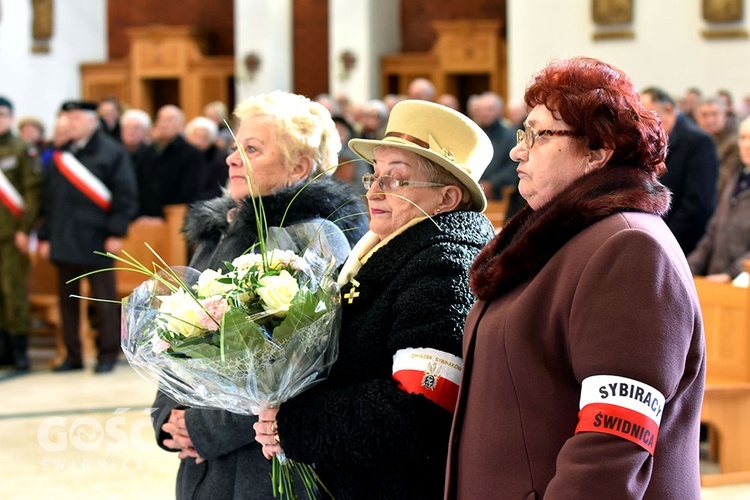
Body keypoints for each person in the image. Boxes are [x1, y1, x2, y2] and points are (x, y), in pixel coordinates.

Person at [446, 57, 705, 499]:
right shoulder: (556, 238)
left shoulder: (629, 249)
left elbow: (613, 442)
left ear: (597, 152)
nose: (517, 150)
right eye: (522, 132)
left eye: (539, 135)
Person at [253, 100, 497, 499]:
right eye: (374, 176)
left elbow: (418, 409)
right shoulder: (388, 248)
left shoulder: (445, 264)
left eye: (397, 179)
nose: (376, 190)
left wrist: (296, 425)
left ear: (448, 198)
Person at [151, 91, 369, 500]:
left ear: (298, 167)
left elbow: (305, 368)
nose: (233, 158)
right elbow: (177, 334)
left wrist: (202, 428)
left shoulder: (317, 239)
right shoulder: (221, 232)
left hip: (266, 462)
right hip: (203, 466)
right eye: (235, 147)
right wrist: (168, 416)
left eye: (252, 149)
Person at [37, 100, 138, 373]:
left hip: (97, 237)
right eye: (69, 119)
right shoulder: (61, 154)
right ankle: (73, 355)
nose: (72, 124)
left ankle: (107, 354)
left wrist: (117, 231)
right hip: (64, 238)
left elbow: (126, 195)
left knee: (103, 300)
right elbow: (49, 198)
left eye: (78, 119)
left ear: (93, 121)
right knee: (67, 302)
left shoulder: (111, 152)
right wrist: (45, 236)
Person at [641, 86, 719, 254]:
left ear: (668, 110)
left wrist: (665, 238)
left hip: (683, 243)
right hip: (659, 237)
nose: (642, 123)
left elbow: (697, 204)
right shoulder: (656, 140)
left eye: (647, 115)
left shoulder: (698, 142)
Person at [0, 96, 43, 371]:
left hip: (10, 234)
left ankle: (20, 352)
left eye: (3, 114)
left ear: (11, 117)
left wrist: (24, 229)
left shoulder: (22, 150)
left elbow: (32, 193)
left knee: (13, 291)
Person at [688, 115, 750, 282]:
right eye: (743, 138)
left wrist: (731, 274)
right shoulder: (737, 179)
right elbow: (713, 230)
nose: (746, 145)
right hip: (717, 280)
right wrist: (689, 267)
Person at [133, 104, 205, 219]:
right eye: (160, 119)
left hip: (174, 219)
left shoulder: (191, 154)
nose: (163, 123)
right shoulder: (145, 153)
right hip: (144, 219)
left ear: (181, 125)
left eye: (169, 120)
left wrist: (164, 216)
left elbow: (190, 191)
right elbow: (136, 185)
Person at [696, 96, 741, 197]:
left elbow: (723, 180)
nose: (710, 120)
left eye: (714, 114)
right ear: (697, 118)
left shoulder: (734, 142)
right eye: (704, 115)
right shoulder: (696, 138)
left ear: (724, 114)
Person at [184, 116, 229, 200]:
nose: (199, 141)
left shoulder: (218, 163)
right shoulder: (183, 158)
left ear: (211, 140)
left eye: (204, 137)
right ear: (188, 137)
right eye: (196, 136)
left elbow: (216, 191)